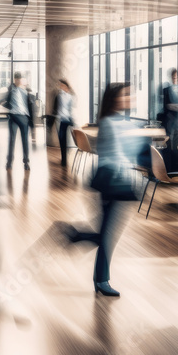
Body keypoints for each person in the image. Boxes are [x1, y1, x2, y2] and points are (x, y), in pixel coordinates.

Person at [59, 83, 144, 297]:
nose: (130, 98)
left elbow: (129, 153)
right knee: (108, 236)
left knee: (107, 234)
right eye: (126, 95)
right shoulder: (109, 123)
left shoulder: (121, 123)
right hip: (112, 181)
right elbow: (116, 155)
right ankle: (100, 278)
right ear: (114, 99)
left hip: (115, 180)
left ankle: (76, 237)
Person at [3, 71, 34, 171]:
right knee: (12, 139)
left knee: (24, 140)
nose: (17, 80)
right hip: (13, 116)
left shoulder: (26, 90)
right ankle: (9, 162)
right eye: (16, 78)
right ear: (14, 79)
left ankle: (26, 162)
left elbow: (31, 106)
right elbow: (7, 102)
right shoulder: (11, 89)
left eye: (18, 78)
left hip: (24, 117)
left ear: (20, 79)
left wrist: (32, 121)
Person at [161, 68, 178, 172]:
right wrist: (172, 106)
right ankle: (168, 169)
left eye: (176, 77)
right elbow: (164, 105)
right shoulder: (166, 90)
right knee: (168, 145)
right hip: (169, 121)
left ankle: (177, 169)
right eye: (173, 77)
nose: (175, 79)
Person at [53, 79, 75, 167]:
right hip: (60, 119)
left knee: (65, 139)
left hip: (67, 119)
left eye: (62, 85)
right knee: (61, 139)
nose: (61, 87)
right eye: (60, 85)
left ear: (66, 86)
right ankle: (64, 159)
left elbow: (70, 109)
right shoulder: (58, 96)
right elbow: (55, 108)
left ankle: (64, 159)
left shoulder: (70, 97)